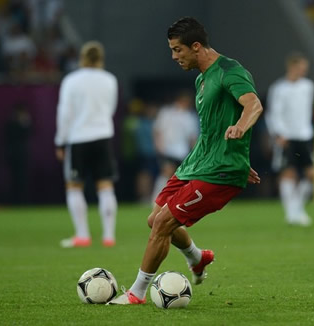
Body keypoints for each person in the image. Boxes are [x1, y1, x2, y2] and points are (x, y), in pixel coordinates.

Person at [108, 16, 263, 305]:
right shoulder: (201, 78)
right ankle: (197, 257)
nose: (173, 56)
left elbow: (253, 104)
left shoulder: (230, 70)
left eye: (177, 50)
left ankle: (136, 293)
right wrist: (238, 153)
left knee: (163, 224)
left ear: (196, 46)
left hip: (219, 171)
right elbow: (215, 127)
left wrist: (241, 130)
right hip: (197, 162)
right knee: (154, 219)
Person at [55, 41, 118, 248]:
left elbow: (65, 114)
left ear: (81, 58)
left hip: (78, 138)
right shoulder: (110, 80)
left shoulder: (71, 81)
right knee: (105, 186)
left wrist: (60, 141)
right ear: (101, 59)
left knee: (74, 186)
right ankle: (109, 236)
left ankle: (82, 235)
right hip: (103, 136)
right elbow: (111, 108)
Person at [265, 53, 314, 226]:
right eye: (301, 67)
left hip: (304, 135)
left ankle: (298, 209)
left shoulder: (308, 86)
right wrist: (278, 134)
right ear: (292, 67)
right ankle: (290, 213)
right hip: (286, 137)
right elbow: (273, 114)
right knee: (288, 174)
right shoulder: (279, 88)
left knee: (312, 174)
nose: (304, 71)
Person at [151, 90, 199, 203]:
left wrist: (195, 153)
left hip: (182, 151)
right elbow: (157, 130)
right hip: (167, 149)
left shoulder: (189, 117)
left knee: (182, 177)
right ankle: (156, 199)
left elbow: (192, 137)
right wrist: (158, 145)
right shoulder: (166, 112)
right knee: (166, 173)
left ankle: (180, 200)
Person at [4, 102, 32, 204]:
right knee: (16, 179)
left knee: (22, 179)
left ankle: (22, 200)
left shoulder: (21, 124)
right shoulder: (12, 124)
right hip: (15, 156)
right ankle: (16, 201)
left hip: (21, 156)